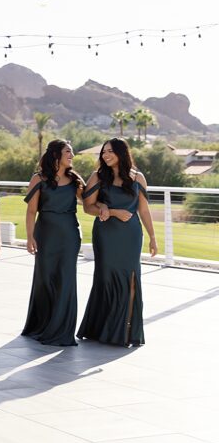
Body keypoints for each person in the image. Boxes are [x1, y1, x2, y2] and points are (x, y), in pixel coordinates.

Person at [78, 138, 157, 347]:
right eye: (104, 152)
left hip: (131, 235)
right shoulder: (97, 177)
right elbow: (88, 207)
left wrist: (153, 237)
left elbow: (144, 209)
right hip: (106, 235)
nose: (105, 155)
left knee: (130, 278)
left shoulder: (137, 177)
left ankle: (126, 331)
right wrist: (110, 210)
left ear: (122, 153)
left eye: (110, 151)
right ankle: (102, 330)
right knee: (106, 277)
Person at [22, 140, 83, 346]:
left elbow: (88, 202)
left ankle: (62, 329)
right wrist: (29, 237)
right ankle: (41, 325)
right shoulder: (39, 178)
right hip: (45, 234)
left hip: (70, 235)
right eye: (68, 152)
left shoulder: (75, 179)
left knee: (66, 279)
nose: (72, 156)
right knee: (45, 278)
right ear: (56, 154)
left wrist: (103, 205)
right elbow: (31, 211)